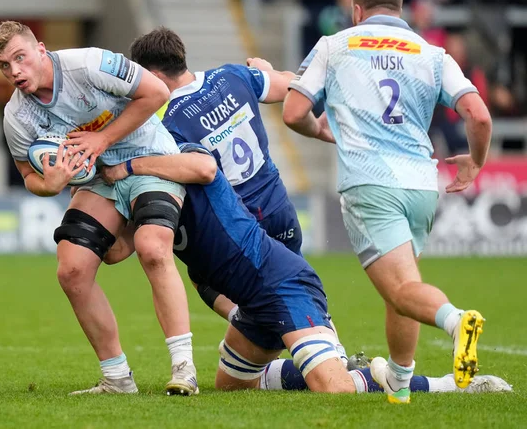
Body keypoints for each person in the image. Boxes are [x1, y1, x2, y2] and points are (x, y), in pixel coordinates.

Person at [102, 145, 511, 396]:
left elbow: (206, 168)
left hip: (283, 283)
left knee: (331, 388)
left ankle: (434, 383)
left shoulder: (178, 159)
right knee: (234, 387)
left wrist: (130, 167)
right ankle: (331, 361)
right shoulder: (148, 205)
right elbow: (115, 252)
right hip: (254, 304)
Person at [282, 0, 493, 403]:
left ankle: (457, 321)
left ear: (356, 10)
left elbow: (293, 111)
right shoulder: (433, 53)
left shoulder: (335, 45)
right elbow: (480, 115)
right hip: (421, 185)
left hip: (370, 183)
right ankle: (399, 382)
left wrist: (321, 129)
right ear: (400, 10)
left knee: (400, 289)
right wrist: (476, 161)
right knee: (403, 287)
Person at [0, 21, 199, 396]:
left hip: (149, 157)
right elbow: (26, 173)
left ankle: (184, 368)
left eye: (20, 57)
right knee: (72, 270)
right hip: (99, 179)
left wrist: (102, 138)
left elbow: (157, 92)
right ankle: (117, 378)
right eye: (4, 65)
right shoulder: (16, 117)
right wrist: (48, 185)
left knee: (153, 248)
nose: (14, 70)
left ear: (40, 49)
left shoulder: (89, 64)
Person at [121, 27, 316, 322]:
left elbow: (196, 170)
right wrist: (271, 71)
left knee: (202, 276)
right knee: (300, 286)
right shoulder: (233, 75)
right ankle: (335, 354)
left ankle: (251, 330)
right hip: (279, 206)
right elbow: (295, 86)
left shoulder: (168, 124)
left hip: (241, 223)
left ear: (157, 77)